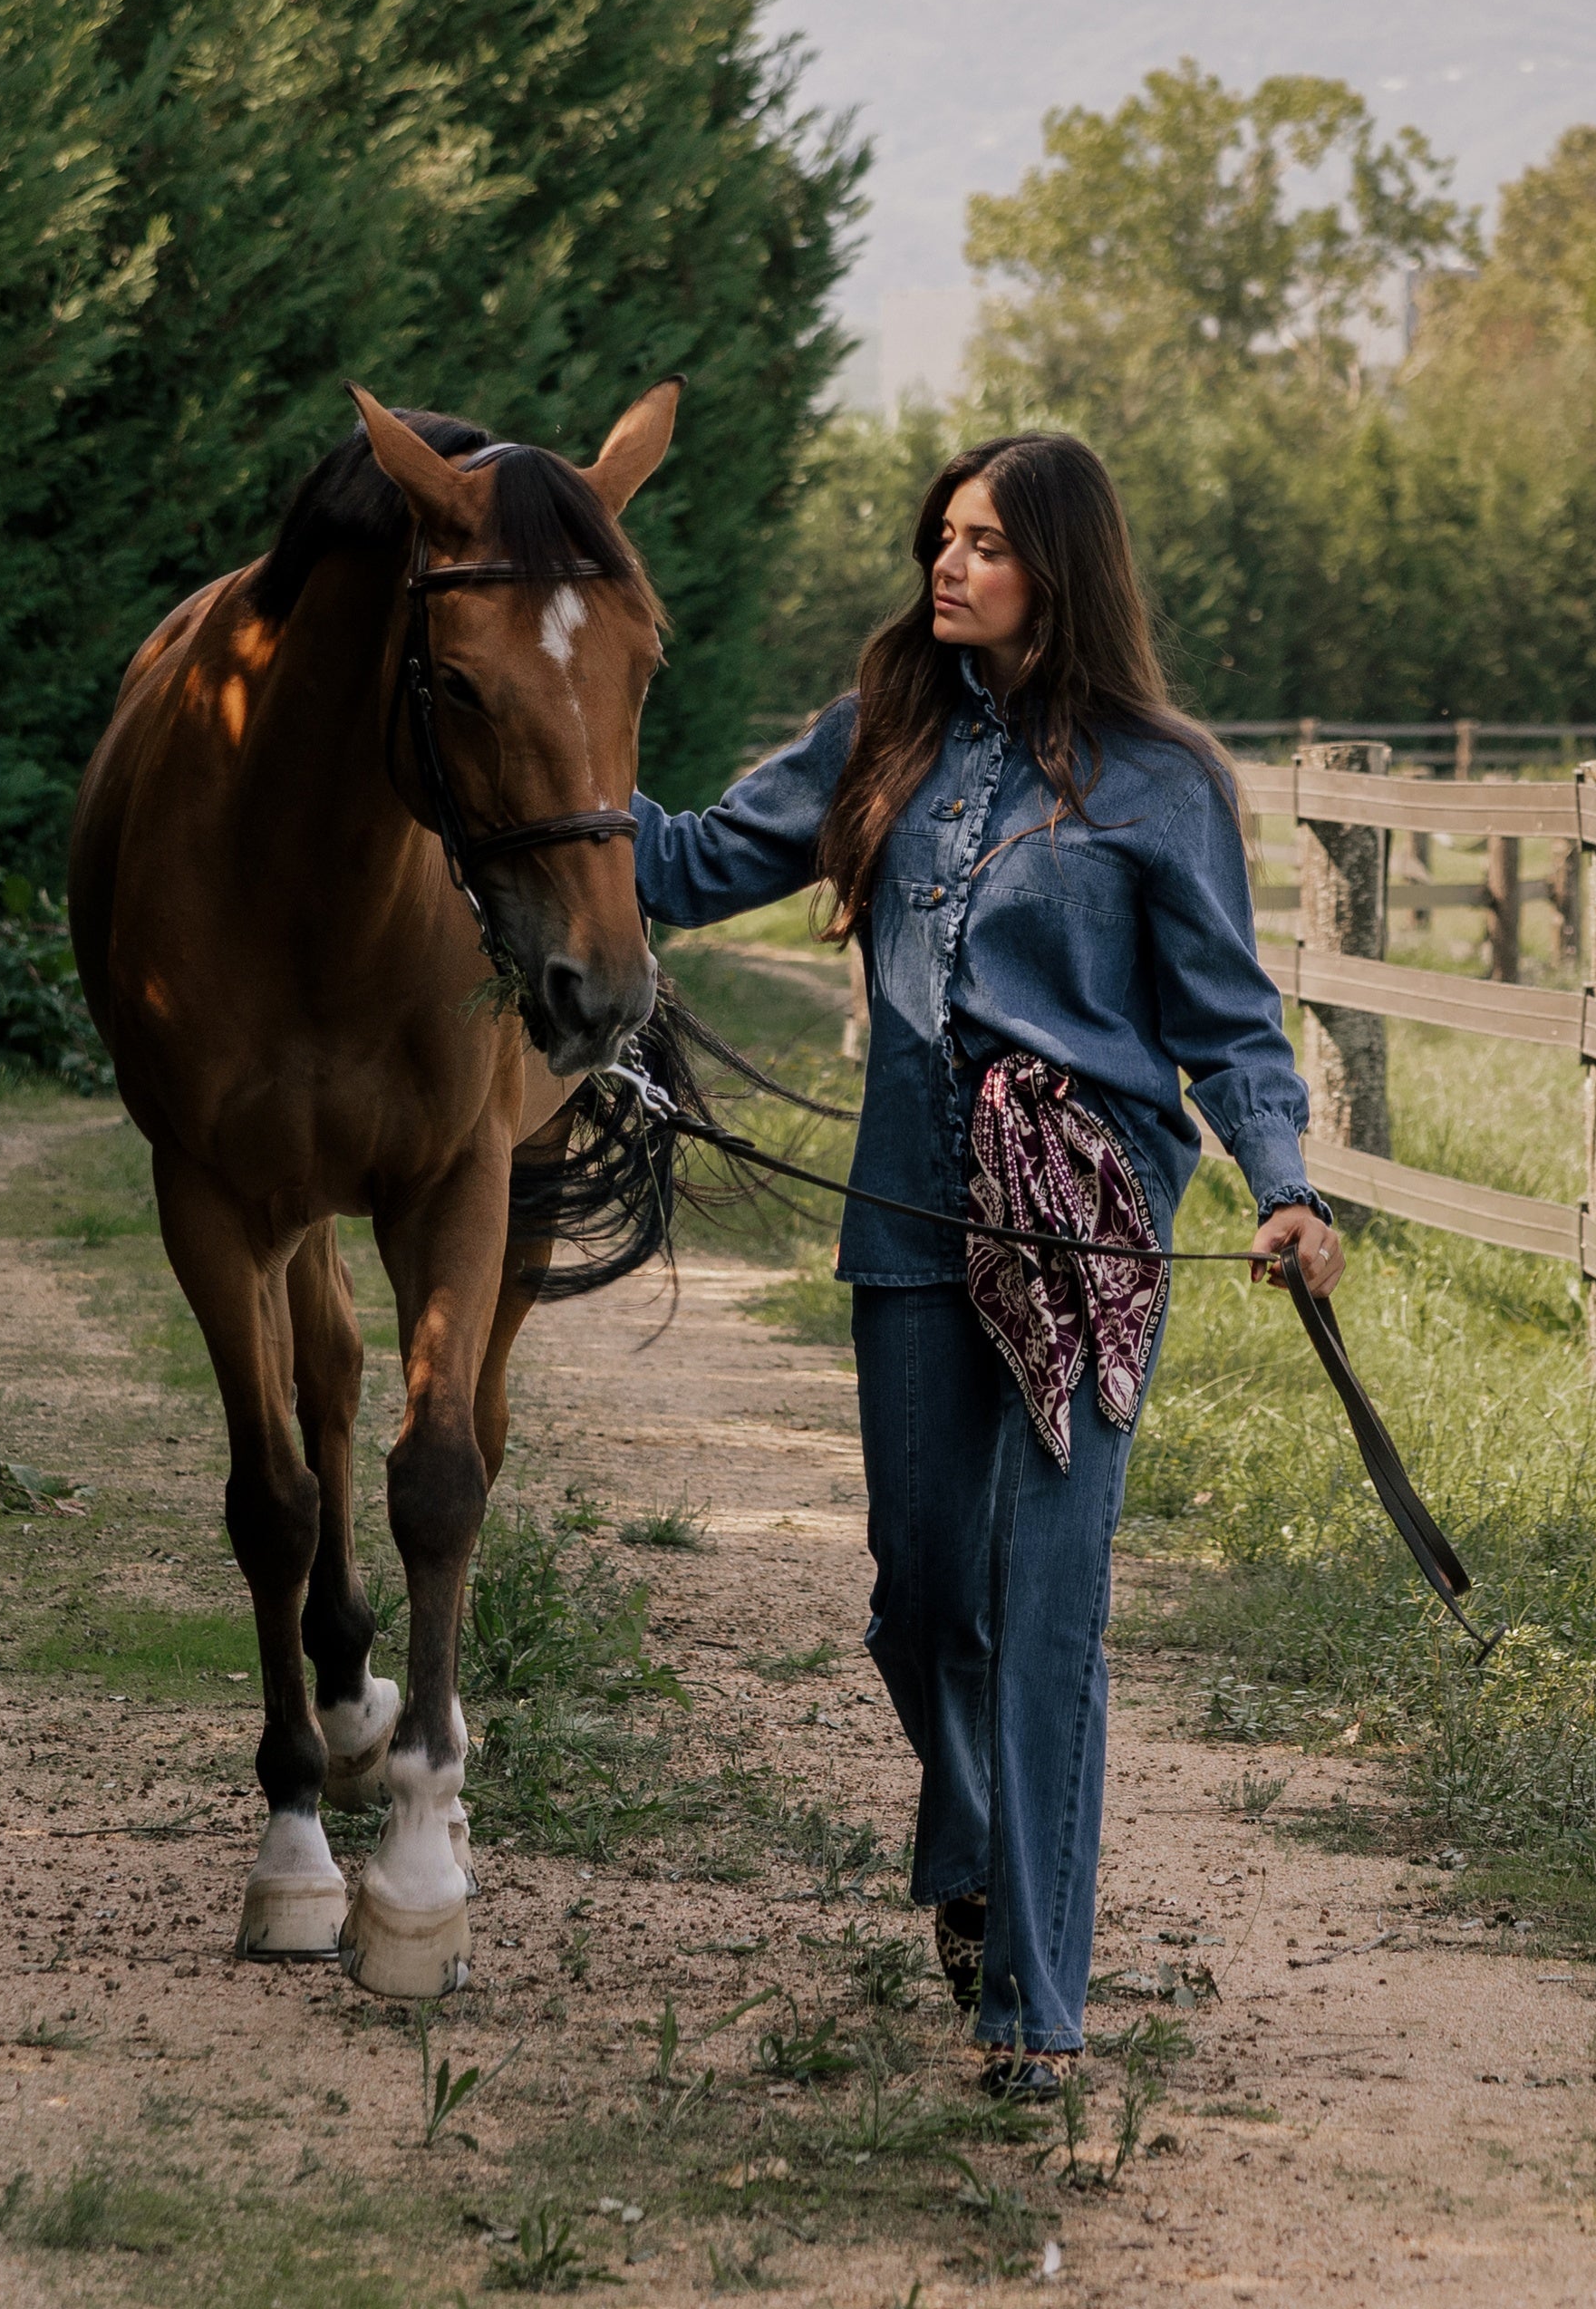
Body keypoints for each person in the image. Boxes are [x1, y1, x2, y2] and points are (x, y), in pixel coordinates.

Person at [633, 432, 1344, 2100]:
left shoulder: (1162, 780)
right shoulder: (879, 729)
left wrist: (1287, 1184)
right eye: (942, 538)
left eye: (988, 544)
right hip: (907, 1209)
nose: (949, 567)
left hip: (1087, 1223)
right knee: (921, 1596)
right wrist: (520, 775)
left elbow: (1230, 1020)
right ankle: (969, 1848)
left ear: (1060, 570)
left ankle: (1032, 2007)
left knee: (1046, 1609)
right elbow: (688, 865)